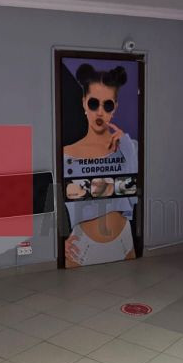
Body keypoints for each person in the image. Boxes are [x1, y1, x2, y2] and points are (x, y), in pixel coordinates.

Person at [62, 63, 138, 266]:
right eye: (94, 103)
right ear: (84, 102)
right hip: (81, 247)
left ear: (115, 108)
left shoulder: (128, 147)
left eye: (108, 105)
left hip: (125, 241)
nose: (100, 112)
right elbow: (56, 198)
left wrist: (126, 147)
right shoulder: (66, 154)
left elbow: (133, 194)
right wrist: (57, 241)